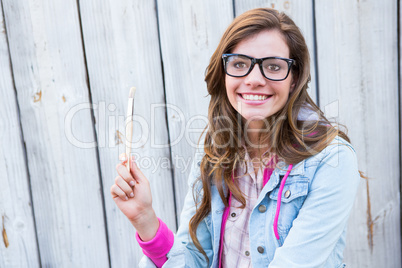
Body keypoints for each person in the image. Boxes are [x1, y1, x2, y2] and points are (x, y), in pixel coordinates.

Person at [110, 8, 362, 268]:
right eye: (240, 64)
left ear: (294, 77)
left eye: (273, 66)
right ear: (224, 72)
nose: (254, 80)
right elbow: (194, 260)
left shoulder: (332, 160)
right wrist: (145, 218)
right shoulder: (215, 149)